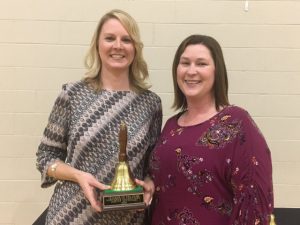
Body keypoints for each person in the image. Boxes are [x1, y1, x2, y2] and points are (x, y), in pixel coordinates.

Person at [36, 9, 162, 225]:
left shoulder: (150, 103)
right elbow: (45, 157)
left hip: (127, 217)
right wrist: (77, 175)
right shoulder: (72, 94)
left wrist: (150, 181)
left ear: (135, 48)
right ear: (97, 45)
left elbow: (151, 164)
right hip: (72, 215)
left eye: (126, 40)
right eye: (110, 38)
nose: (118, 46)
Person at [145, 34, 274, 225]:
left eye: (201, 64)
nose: (191, 71)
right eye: (185, 63)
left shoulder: (237, 123)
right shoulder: (171, 126)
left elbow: (254, 202)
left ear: (217, 71)